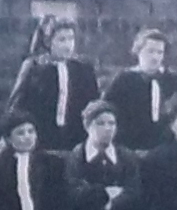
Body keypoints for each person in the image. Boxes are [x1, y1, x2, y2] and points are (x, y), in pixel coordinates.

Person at [6, 16, 104, 151]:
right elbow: (17, 104)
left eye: (71, 39)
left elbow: (94, 105)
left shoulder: (84, 69)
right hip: (41, 138)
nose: (68, 45)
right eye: (61, 40)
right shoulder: (35, 67)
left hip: (75, 138)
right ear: (48, 42)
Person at [107, 26, 177, 151]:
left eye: (160, 52)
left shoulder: (174, 81)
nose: (155, 57)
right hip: (130, 147)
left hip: (166, 147)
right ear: (138, 52)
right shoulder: (124, 81)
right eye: (150, 51)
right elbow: (110, 111)